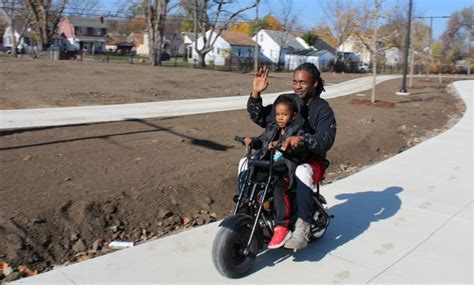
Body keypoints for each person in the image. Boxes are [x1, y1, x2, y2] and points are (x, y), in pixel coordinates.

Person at [247, 63, 337, 250]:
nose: (297, 86)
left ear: (315, 83)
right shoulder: (290, 103)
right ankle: (250, 210)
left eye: (303, 82)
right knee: (248, 162)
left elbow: (325, 140)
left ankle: (302, 227)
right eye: (295, 82)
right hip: (286, 158)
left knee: (303, 171)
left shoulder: (323, 109)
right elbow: (262, 117)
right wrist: (256, 93)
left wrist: (302, 140)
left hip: (311, 161)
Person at [242, 96, 308, 249]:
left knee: (278, 184)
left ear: (293, 115)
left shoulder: (297, 129)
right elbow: (262, 140)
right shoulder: (272, 128)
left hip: (287, 169)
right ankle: (245, 212)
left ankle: (282, 227)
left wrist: (281, 144)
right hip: (271, 166)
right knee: (251, 178)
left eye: (284, 114)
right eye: (278, 114)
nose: (280, 118)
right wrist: (252, 141)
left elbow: (300, 144)